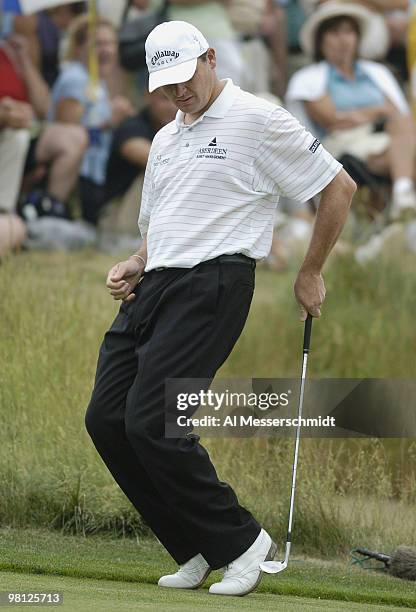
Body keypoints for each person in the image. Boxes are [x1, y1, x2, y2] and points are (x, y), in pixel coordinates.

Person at [84, 20, 356, 597]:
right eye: (166, 86)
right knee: (108, 419)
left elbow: (338, 187)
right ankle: (196, 546)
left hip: (215, 284)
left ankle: (242, 544)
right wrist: (137, 261)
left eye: (185, 79)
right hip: (156, 283)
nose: (178, 93)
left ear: (209, 57)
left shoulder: (258, 119)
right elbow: (160, 226)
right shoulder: (165, 137)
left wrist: (309, 270)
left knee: (156, 422)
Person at [286, 1, 416, 220]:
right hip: (343, 145)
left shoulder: (377, 72)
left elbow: (398, 114)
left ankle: (402, 195)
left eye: (348, 32)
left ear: (357, 37)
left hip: (386, 138)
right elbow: (331, 119)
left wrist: (362, 115)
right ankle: (403, 196)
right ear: (322, 40)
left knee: (403, 128)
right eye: (335, 33)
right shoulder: (309, 78)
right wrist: (377, 112)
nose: (343, 40)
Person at [48, 15, 134, 225]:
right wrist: (111, 121)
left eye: (111, 43)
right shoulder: (75, 79)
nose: (107, 50)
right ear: (78, 48)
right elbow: (69, 136)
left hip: (93, 172)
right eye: (98, 44)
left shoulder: (96, 82)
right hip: (78, 178)